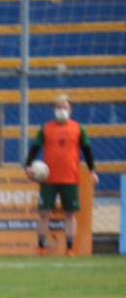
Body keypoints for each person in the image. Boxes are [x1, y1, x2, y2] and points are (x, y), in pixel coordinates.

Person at [24, 94, 99, 255]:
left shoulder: (78, 128)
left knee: (70, 214)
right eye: (58, 107)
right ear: (54, 110)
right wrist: (28, 166)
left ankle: (69, 248)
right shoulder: (46, 128)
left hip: (70, 178)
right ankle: (41, 247)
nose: (61, 110)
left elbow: (87, 150)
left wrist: (92, 171)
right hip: (48, 178)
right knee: (44, 213)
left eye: (64, 107)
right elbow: (35, 148)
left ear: (70, 109)